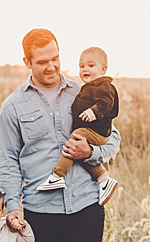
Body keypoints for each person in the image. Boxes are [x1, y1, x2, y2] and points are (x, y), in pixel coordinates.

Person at [0, 29, 120, 242]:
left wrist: (91, 154)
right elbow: (8, 160)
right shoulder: (13, 106)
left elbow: (113, 138)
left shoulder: (86, 92)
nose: (51, 67)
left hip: (84, 202)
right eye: (42, 62)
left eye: (55, 58)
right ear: (27, 62)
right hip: (42, 206)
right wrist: (13, 205)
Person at [37, 46, 120, 205]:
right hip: (91, 130)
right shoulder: (87, 87)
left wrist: (93, 112)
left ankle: (57, 175)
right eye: (82, 66)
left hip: (97, 131)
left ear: (103, 69)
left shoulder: (103, 85)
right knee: (80, 154)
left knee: (76, 139)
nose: (85, 69)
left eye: (91, 65)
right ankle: (104, 180)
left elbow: (106, 103)